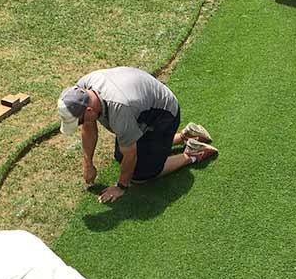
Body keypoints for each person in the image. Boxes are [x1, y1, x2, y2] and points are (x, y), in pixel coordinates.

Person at [57, 66, 218, 204]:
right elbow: (88, 127)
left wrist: (121, 187)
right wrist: (88, 164)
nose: (79, 125)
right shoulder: (82, 89)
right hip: (143, 111)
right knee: (120, 156)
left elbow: (131, 154)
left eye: (78, 122)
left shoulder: (119, 110)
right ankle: (184, 136)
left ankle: (191, 153)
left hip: (163, 117)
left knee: (140, 174)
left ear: (89, 110)